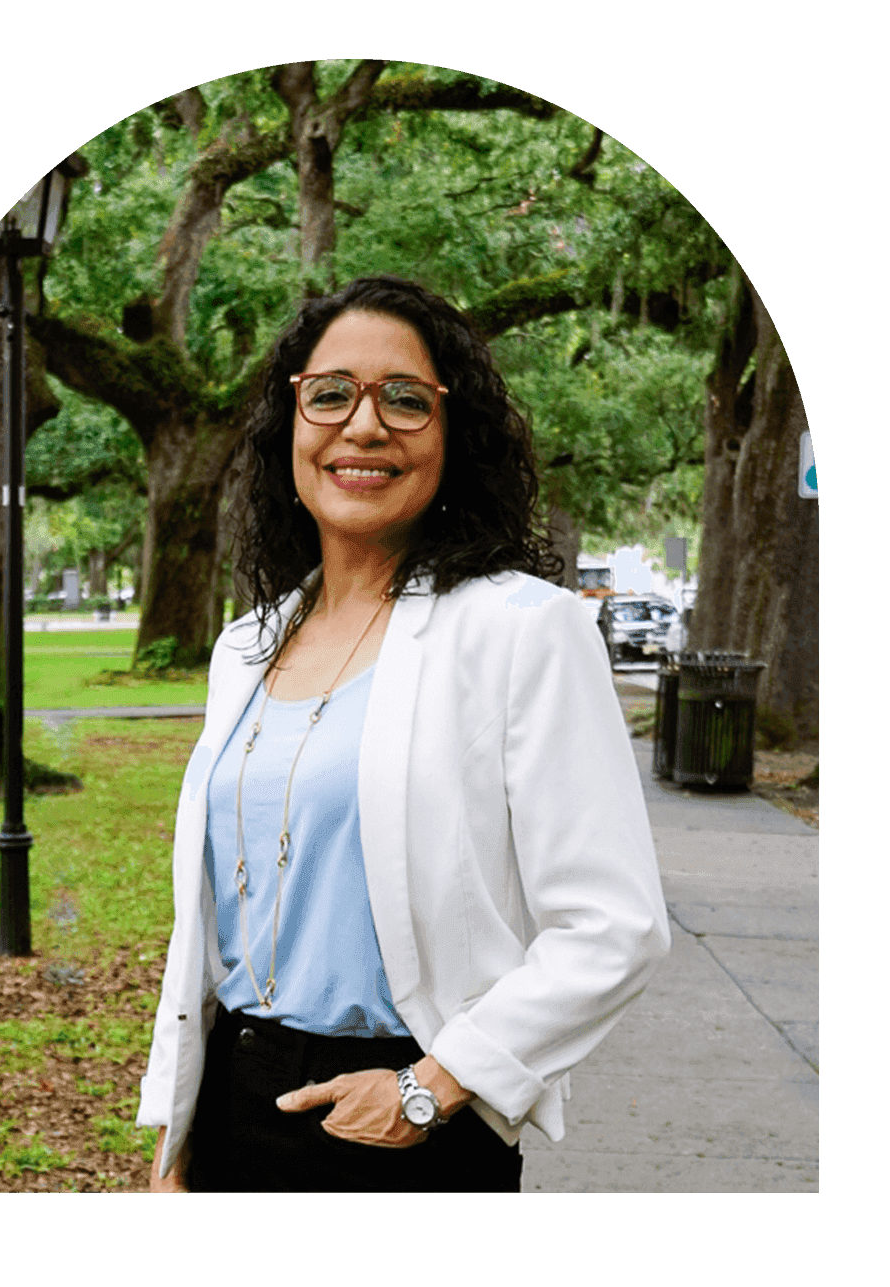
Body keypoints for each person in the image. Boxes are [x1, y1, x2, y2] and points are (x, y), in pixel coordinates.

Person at [137, 275, 670, 1193]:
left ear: (454, 437)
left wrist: (431, 1088)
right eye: (331, 393)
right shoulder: (247, 645)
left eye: (407, 399)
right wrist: (183, 1129)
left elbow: (614, 926)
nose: (365, 425)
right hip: (234, 1101)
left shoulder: (520, 631)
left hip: (407, 1126)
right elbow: (221, 925)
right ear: (291, 426)